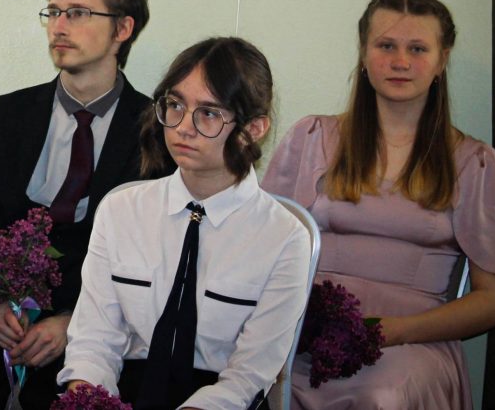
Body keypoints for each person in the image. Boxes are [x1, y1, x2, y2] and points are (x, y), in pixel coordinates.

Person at [261, 0, 495, 409]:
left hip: (414, 348)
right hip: (304, 339)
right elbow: (260, 252)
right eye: (386, 46)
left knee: (380, 396)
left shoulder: (477, 165)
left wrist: (395, 331)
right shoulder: (310, 139)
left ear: (442, 60)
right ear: (364, 54)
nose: (400, 62)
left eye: (417, 49)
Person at [0, 0, 162, 409]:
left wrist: (75, 320)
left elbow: (148, 260)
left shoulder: (156, 130)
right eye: (54, 12)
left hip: (96, 322)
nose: (59, 27)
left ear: (122, 29)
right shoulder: (6, 115)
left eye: (77, 13)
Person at [58, 37, 311, 410]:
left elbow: (249, 375)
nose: (183, 128)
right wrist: (90, 399)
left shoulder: (285, 237)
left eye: (208, 113)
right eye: (175, 105)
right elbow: (93, 341)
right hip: (123, 392)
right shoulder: (121, 210)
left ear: (254, 129)